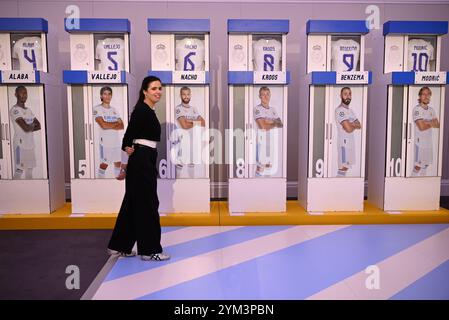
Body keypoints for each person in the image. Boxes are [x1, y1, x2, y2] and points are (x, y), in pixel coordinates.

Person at [107, 76, 170, 261]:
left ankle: (119, 246)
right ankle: (150, 251)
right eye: (153, 89)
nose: (158, 91)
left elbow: (129, 139)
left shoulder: (147, 110)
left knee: (132, 204)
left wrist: (127, 161)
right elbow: (128, 138)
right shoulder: (142, 110)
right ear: (144, 91)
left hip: (143, 159)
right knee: (148, 205)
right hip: (142, 160)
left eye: (159, 88)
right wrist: (127, 156)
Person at [10, 85, 41, 179]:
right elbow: (25, 128)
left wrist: (29, 126)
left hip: (30, 145)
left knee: (29, 170)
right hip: (20, 146)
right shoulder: (15, 110)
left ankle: (29, 191)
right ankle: (15, 191)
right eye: (21, 92)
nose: (24, 95)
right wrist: (30, 126)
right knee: (19, 170)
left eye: (25, 93)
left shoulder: (29, 110)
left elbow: (39, 126)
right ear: (16, 94)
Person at [93, 86, 124, 178]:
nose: (107, 96)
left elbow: (121, 125)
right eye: (105, 94)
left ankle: (116, 181)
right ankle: (100, 181)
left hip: (116, 143)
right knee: (104, 164)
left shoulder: (114, 110)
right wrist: (115, 124)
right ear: (101, 96)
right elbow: (103, 125)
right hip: (105, 143)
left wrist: (108, 124)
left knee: (118, 163)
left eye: (109, 94)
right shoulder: (96, 108)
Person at [174, 86, 205, 178]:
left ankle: (192, 184)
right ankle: (177, 184)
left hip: (193, 140)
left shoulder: (194, 109)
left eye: (188, 94)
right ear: (180, 95)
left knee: (191, 163)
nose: (186, 96)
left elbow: (203, 122)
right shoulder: (178, 108)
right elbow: (184, 126)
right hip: (182, 141)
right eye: (184, 94)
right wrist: (195, 122)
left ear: (190, 95)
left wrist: (189, 122)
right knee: (180, 163)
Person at [253, 86, 283, 177]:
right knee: (261, 167)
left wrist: (268, 121)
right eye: (263, 94)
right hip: (261, 143)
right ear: (259, 96)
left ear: (270, 96)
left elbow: (280, 124)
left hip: (271, 143)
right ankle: (257, 188)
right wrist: (273, 122)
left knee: (269, 167)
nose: (265, 97)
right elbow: (263, 127)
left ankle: (267, 189)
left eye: (267, 94)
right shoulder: (257, 109)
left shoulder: (273, 110)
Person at [412, 86, 439, 176]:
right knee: (418, 166)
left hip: (428, 143)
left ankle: (422, 186)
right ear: (420, 96)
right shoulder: (417, 109)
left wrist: (426, 121)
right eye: (424, 94)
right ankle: (411, 184)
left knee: (425, 165)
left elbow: (437, 125)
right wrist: (431, 122)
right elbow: (421, 127)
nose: (426, 96)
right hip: (419, 143)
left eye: (428, 94)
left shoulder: (431, 110)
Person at [335, 87, 361, 177]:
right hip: (344, 144)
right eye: (345, 94)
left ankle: (342, 187)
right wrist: (352, 124)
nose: (348, 96)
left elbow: (359, 125)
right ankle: (337, 186)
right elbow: (348, 129)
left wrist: (350, 124)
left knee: (346, 167)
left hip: (350, 143)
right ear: (341, 96)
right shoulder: (340, 111)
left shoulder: (351, 111)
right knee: (343, 167)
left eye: (349, 94)